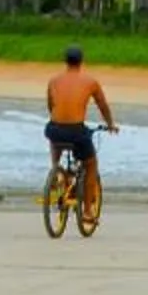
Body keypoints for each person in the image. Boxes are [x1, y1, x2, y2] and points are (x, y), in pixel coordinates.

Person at [43, 45, 118, 205]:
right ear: (81, 61)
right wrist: (110, 124)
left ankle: (55, 170)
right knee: (91, 164)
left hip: (55, 128)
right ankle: (88, 211)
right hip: (76, 131)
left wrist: (58, 120)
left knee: (54, 137)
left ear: (65, 61)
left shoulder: (54, 81)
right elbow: (102, 105)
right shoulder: (90, 82)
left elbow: (51, 105)